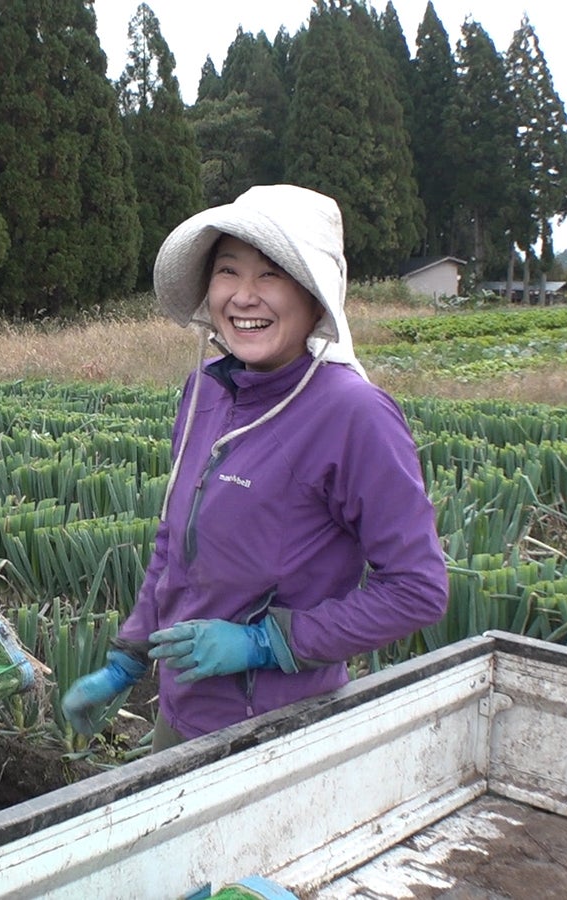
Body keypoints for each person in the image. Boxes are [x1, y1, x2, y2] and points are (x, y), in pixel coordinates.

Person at [61, 184, 449, 750]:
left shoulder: (353, 413)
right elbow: (175, 542)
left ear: (316, 298)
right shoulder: (206, 391)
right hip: (183, 713)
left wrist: (264, 644)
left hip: (278, 729)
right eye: (228, 271)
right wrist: (130, 656)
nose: (244, 296)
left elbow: (417, 590)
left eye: (271, 274)